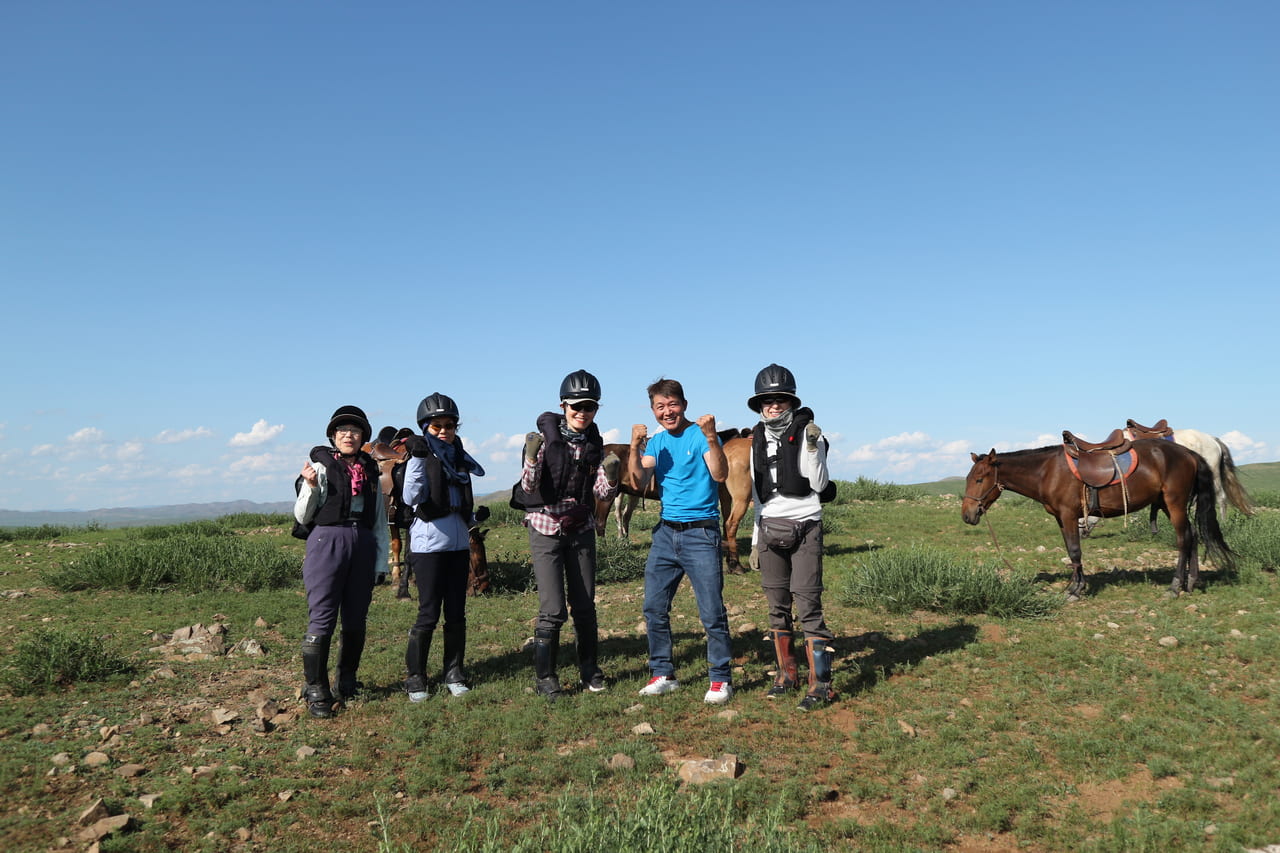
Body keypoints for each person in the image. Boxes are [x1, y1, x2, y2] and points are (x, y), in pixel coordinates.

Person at [514, 370, 621, 701]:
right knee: (553, 608)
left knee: (585, 605)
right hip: (545, 527)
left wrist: (612, 475)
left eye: (589, 407)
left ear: (596, 409)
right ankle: (545, 676)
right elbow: (530, 487)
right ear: (563, 406)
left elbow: (601, 493)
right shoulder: (544, 441)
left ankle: (589, 670)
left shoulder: (594, 446)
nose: (582, 413)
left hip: (581, 529)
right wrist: (531, 459)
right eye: (576, 406)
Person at [628, 378, 734, 705]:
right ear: (653, 411)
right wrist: (634, 447)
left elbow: (719, 475)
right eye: (660, 406)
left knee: (711, 610)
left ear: (684, 405)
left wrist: (713, 438)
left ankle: (720, 679)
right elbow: (637, 479)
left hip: (701, 533)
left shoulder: (700, 436)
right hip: (665, 534)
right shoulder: (658, 443)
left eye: (672, 404)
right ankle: (663, 674)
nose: (667, 411)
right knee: (654, 607)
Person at [747, 364, 837, 709]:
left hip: (805, 527)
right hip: (769, 528)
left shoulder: (808, 432)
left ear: (791, 402)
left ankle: (822, 684)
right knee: (776, 606)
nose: (773, 406)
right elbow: (759, 496)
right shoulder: (758, 437)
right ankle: (787, 674)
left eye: (780, 400)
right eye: (766, 401)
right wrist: (756, 539)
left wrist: (813, 447)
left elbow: (818, 484)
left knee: (808, 603)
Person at [292, 405, 390, 719]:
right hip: (326, 540)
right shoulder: (321, 468)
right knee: (322, 617)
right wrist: (309, 487)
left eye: (355, 431)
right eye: (343, 430)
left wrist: (381, 563)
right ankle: (317, 687)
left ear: (363, 437)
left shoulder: (371, 470)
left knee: (356, 618)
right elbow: (302, 516)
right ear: (334, 436)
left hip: (362, 542)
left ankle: (347, 679)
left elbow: (378, 521)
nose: (349, 435)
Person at [399, 393, 488, 702]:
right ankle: (416, 677)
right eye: (436, 426)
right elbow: (411, 498)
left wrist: (473, 520)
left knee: (456, 612)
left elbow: (461, 500)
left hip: (458, 543)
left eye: (449, 425)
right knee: (428, 612)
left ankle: (453, 672)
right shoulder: (420, 457)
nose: (444, 431)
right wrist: (419, 459)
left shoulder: (459, 457)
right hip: (428, 546)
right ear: (425, 427)